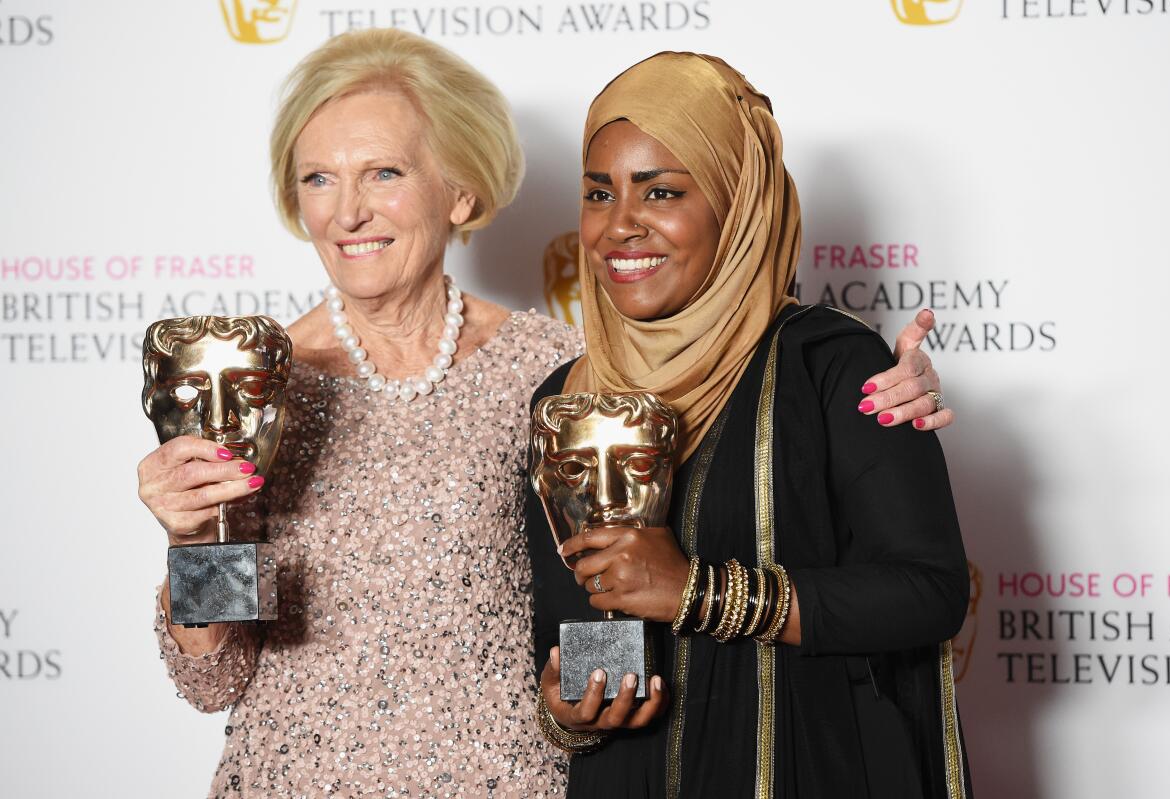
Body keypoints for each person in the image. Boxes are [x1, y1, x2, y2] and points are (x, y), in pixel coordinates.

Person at [136, 30, 953, 797]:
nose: (347, 210)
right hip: (293, 778)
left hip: (514, 778)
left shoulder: (560, 374)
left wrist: (880, 389)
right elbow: (215, 680)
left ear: (460, 191)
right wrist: (192, 541)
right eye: (318, 178)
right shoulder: (240, 386)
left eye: (383, 173)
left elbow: (627, 583)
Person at [527, 52, 972, 798]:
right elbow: (581, 631)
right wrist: (572, 706)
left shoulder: (830, 365)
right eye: (598, 194)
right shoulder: (570, 398)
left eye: (661, 191)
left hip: (802, 768)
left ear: (738, 205)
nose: (619, 227)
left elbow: (929, 591)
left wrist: (697, 591)